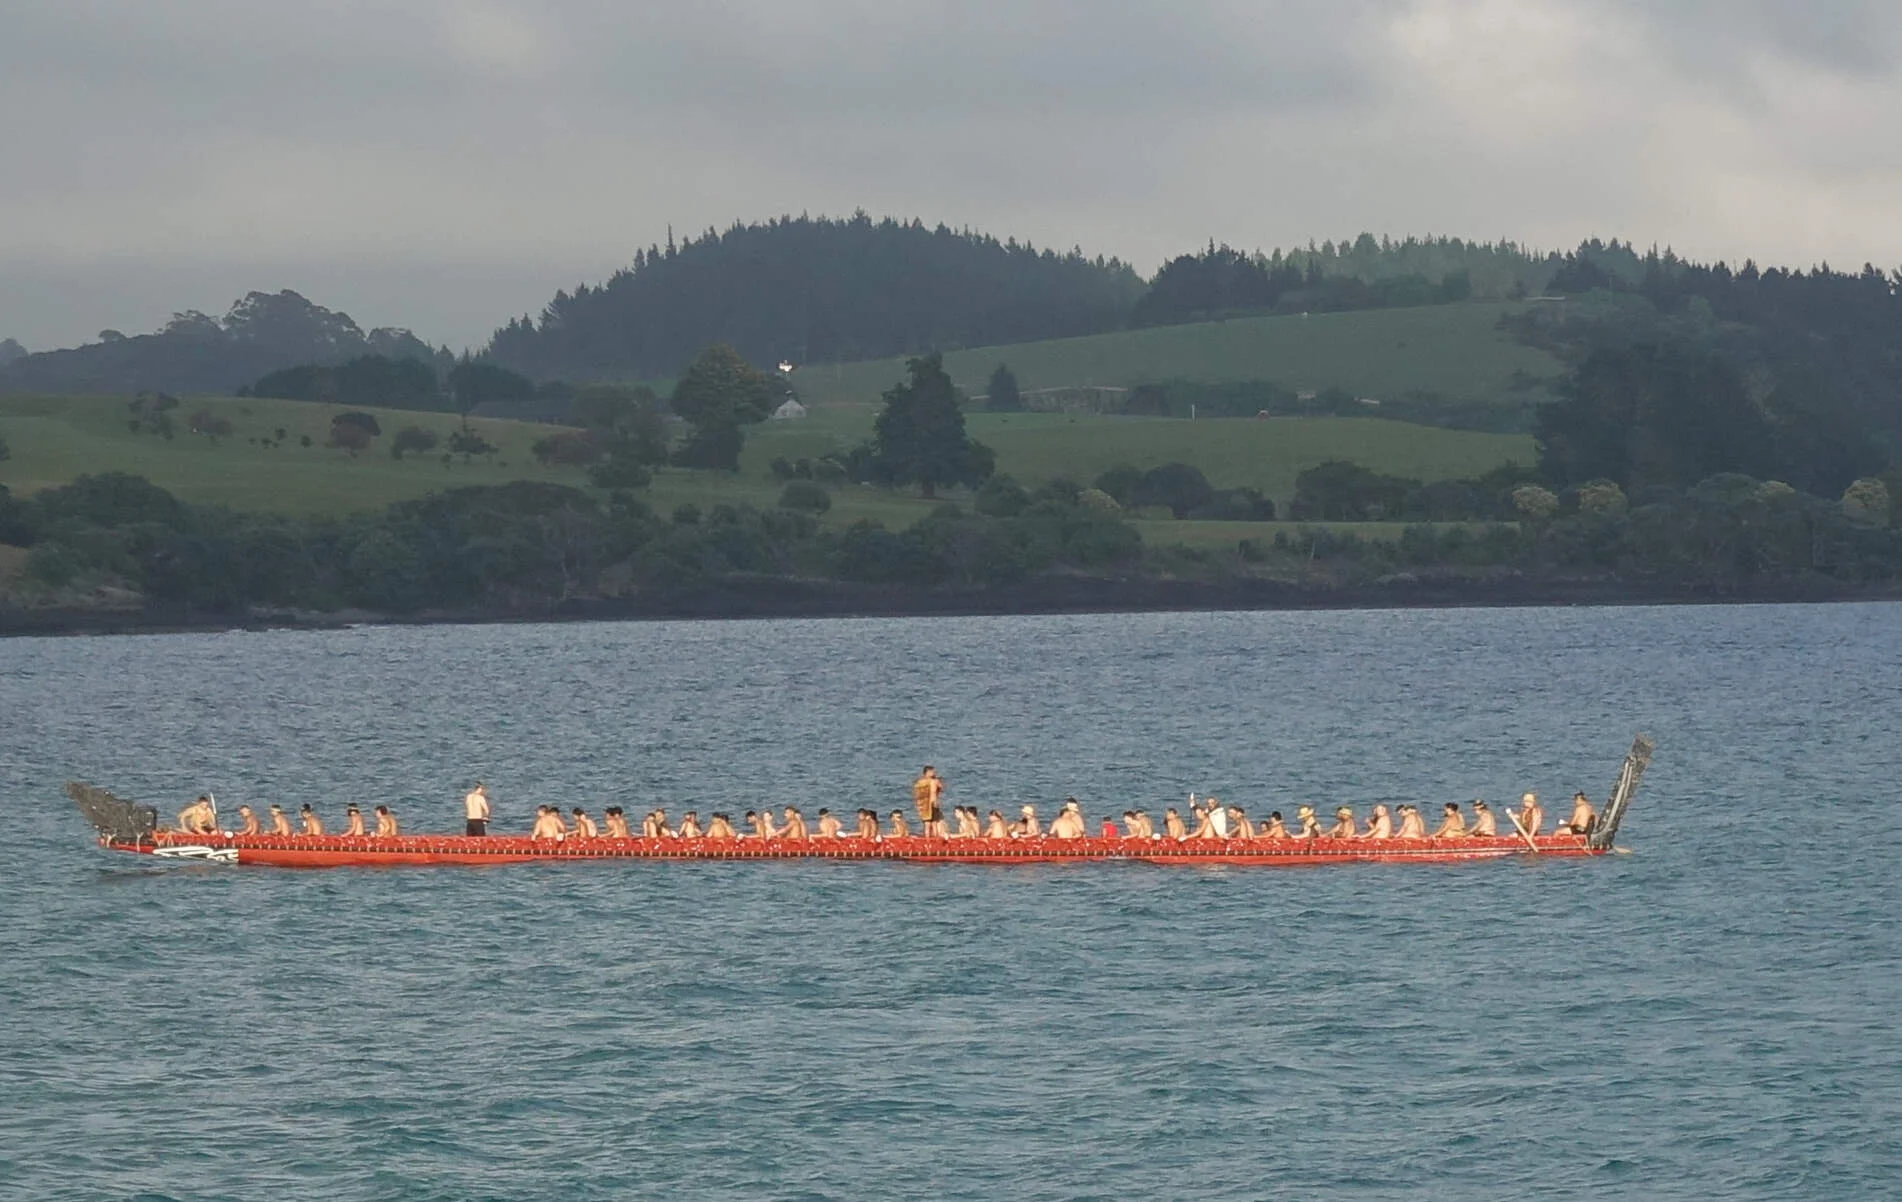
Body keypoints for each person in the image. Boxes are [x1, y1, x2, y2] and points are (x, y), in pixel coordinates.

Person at [912, 766, 946, 838]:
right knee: (932, 824)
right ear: (927, 772)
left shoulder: (920, 782)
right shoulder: (934, 781)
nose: (933, 773)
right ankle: (934, 840)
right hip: (931, 803)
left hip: (926, 804)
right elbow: (942, 788)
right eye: (932, 772)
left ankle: (928, 840)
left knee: (929, 824)